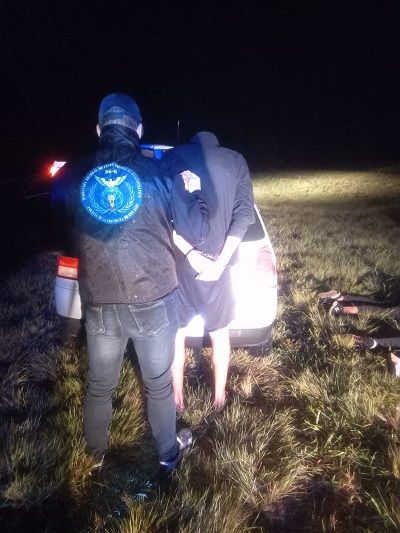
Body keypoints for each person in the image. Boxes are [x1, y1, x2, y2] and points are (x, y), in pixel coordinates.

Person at [51, 93, 209, 473]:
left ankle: (94, 457)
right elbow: (196, 230)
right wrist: (194, 190)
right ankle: (167, 454)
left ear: (99, 129)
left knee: (99, 383)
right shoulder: (160, 172)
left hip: (99, 299)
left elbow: (57, 234)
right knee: (158, 383)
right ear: (138, 129)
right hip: (154, 298)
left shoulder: (72, 173)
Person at [162, 131, 255, 410]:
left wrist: (189, 253)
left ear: (191, 143)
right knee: (220, 332)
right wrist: (221, 261)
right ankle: (219, 397)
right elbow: (244, 214)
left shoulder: (171, 157)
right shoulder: (236, 160)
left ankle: (176, 397)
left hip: (179, 264)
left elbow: (162, 215)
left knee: (177, 333)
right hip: (217, 266)